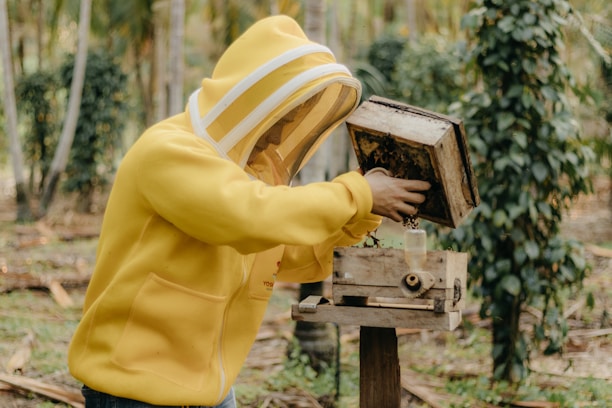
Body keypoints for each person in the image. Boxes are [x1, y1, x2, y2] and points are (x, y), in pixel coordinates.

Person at [68, 14, 430, 408]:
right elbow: (249, 216)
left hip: (212, 392)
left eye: (289, 122)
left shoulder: (250, 172)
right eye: (277, 118)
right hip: (133, 390)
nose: (277, 135)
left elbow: (292, 254)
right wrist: (358, 192)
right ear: (247, 101)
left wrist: (363, 213)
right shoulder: (169, 151)